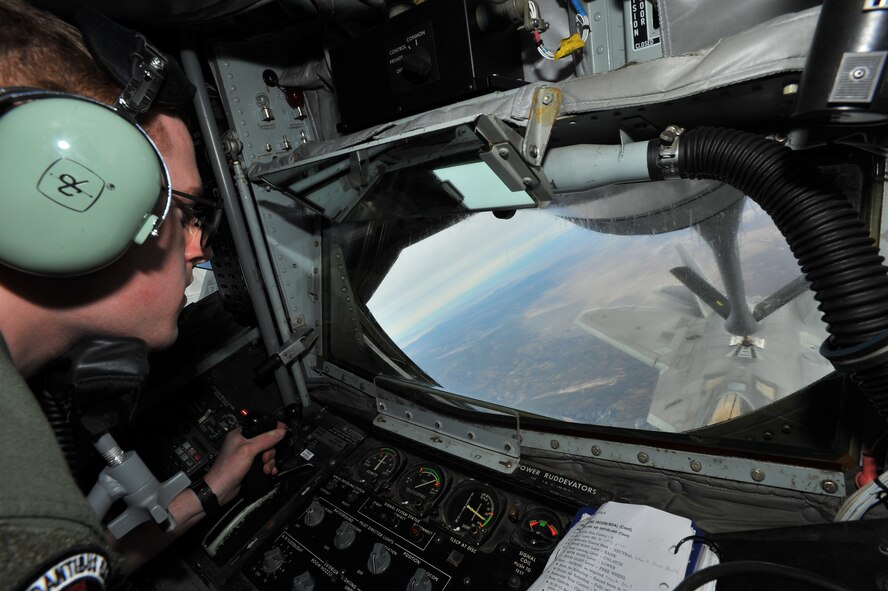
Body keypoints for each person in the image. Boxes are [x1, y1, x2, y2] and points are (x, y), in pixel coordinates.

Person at [0, 1, 286, 588]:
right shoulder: (25, 521)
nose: (200, 249)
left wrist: (207, 492)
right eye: (185, 212)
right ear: (74, 192)